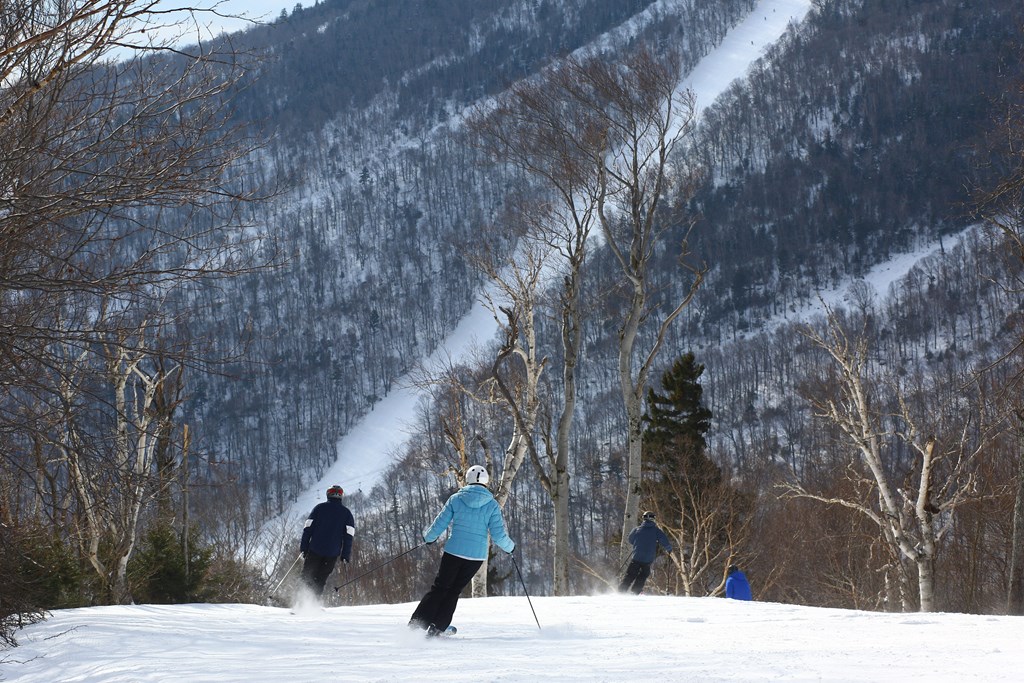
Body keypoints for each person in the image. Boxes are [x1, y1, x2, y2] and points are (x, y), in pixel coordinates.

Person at [409, 465, 515, 636]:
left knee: (440, 588)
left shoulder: (456, 499)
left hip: (454, 552)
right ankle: (438, 627)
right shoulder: (492, 505)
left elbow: (439, 523)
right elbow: (498, 535)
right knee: (454, 591)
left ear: (468, 479)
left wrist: (428, 538)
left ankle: (417, 624)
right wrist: (511, 548)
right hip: (475, 557)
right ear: (486, 482)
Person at [299, 484, 355, 599]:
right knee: (320, 579)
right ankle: (313, 605)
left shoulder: (319, 508)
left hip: (315, 549)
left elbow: (307, 528)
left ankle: (300, 602)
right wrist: (345, 555)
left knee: (307, 576)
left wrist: (303, 547)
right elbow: (348, 537)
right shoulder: (346, 513)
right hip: (332, 553)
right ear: (340, 496)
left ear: (328, 494)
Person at [619, 511, 672, 594]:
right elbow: (664, 540)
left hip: (636, 556)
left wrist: (638, 544)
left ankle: (621, 591)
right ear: (653, 519)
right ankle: (635, 591)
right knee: (643, 575)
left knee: (630, 575)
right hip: (648, 559)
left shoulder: (636, 529)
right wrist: (669, 549)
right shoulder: (656, 531)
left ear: (643, 518)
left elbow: (630, 539)